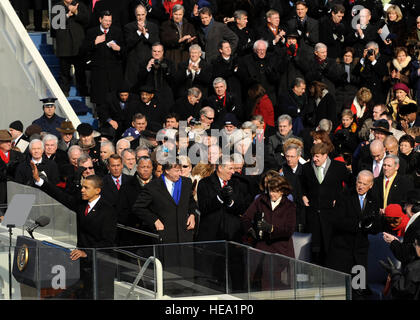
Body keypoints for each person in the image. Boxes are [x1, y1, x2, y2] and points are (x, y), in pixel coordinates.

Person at [31, 163, 117, 300]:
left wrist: (86, 253)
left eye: (86, 188)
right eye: (82, 186)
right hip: (83, 265)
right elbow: (60, 196)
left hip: (101, 265)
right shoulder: (81, 204)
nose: (82, 190)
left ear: (97, 190)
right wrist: (39, 181)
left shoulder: (108, 211)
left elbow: (107, 241)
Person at [326, 170, 382, 298]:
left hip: (360, 253)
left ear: (371, 185)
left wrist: (370, 226)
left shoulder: (374, 199)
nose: (361, 186)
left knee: (359, 289)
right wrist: (359, 224)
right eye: (359, 182)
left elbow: (376, 225)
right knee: (340, 290)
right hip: (342, 251)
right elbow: (337, 220)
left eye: (364, 184)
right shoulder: (344, 195)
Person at [300, 142, 352, 266]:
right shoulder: (307, 168)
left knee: (329, 246)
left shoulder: (338, 167)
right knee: (314, 248)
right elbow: (301, 185)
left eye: (317, 156)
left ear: (325, 155)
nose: (314, 159)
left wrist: (339, 199)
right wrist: (303, 196)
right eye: (313, 156)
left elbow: (350, 185)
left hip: (331, 215)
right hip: (313, 214)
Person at [241, 175, 296, 290]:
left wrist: (271, 229)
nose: (272, 194)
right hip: (261, 246)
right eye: (270, 190)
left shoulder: (289, 206)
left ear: (282, 191)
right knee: (254, 277)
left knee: (270, 277)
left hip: (280, 249)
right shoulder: (260, 200)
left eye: (275, 191)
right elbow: (246, 218)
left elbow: (289, 230)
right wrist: (251, 230)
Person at [80, 10, 124, 108]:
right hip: (98, 71)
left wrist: (119, 48)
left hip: (113, 71)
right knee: (100, 98)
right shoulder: (91, 32)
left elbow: (125, 50)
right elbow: (83, 49)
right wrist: (95, 42)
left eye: (110, 21)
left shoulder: (117, 31)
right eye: (106, 20)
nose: (108, 23)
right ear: (100, 20)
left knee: (114, 98)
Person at [53, 0, 90, 97]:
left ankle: (83, 91)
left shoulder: (80, 5)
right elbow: (55, 25)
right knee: (64, 72)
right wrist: (67, 15)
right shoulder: (57, 6)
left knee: (80, 71)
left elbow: (87, 20)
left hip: (78, 45)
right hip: (64, 45)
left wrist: (76, 12)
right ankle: (64, 92)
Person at [124, 4, 160, 89]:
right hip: (134, 64)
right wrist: (139, 33)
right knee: (133, 88)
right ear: (135, 15)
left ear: (146, 13)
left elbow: (157, 43)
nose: (140, 17)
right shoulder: (129, 27)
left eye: (142, 14)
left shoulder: (153, 26)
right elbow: (128, 44)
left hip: (148, 61)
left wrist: (146, 34)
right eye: (138, 15)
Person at [383, 190, 420, 270]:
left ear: (413, 207)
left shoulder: (415, 226)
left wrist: (393, 241)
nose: (404, 208)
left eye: (406, 205)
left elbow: (405, 255)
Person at [380, 230, 420, 300]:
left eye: (415, 244)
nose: (414, 246)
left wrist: (394, 273)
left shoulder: (414, 269)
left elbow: (400, 290)